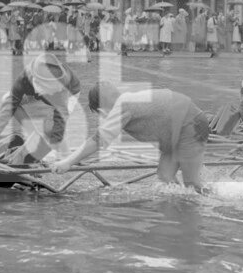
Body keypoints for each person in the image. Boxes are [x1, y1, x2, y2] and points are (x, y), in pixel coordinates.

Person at [52, 82, 209, 192]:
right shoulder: (128, 99)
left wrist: (67, 162)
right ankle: (179, 212)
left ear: (101, 108)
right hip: (179, 130)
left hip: (189, 125)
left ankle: (217, 203)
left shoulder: (123, 104)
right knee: (165, 176)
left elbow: (96, 141)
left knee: (192, 185)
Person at [0, 52, 81, 164]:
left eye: (43, 88)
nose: (39, 90)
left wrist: (50, 148)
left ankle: (63, 153)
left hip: (69, 93)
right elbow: (8, 106)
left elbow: (60, 119)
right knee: (6, 99)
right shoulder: (25, 77)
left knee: (50, 128)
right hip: (35, 90)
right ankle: (33, 136)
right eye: (39, 85)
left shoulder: (61, 89)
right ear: (34, 79)